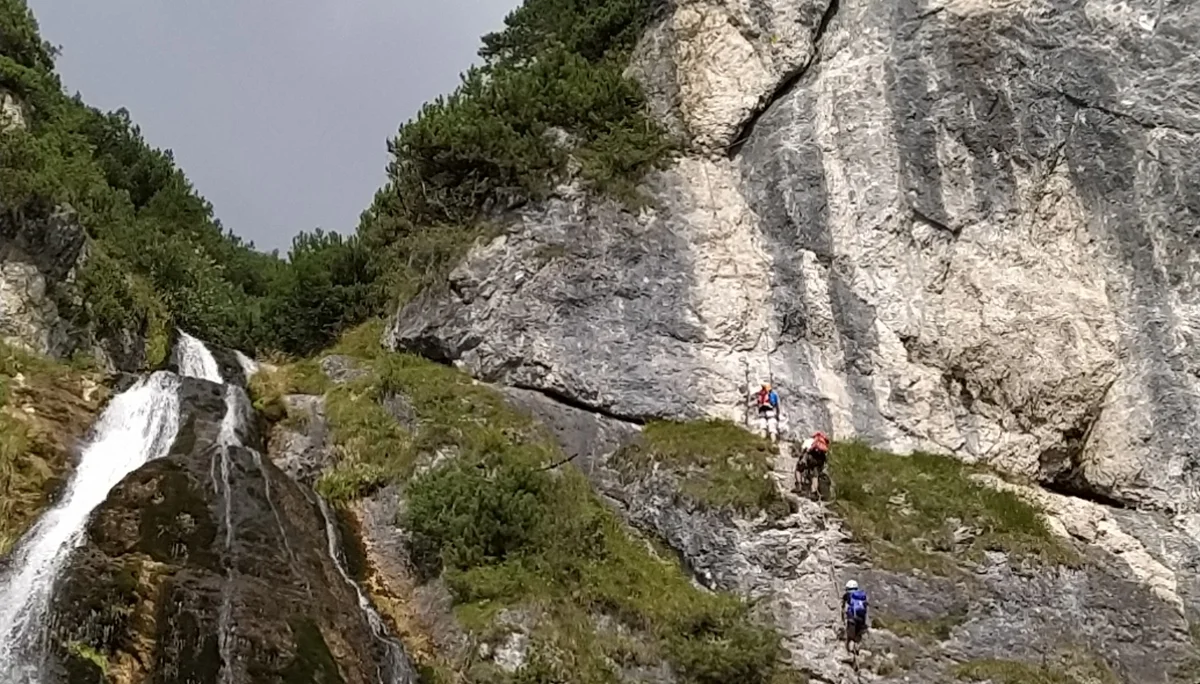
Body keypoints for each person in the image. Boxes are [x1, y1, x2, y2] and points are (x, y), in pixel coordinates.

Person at [794, 431, 830, 498]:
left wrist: (802, 459)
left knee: (798, 469)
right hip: (819, 460)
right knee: (815, 476)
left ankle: (799, 485)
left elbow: (803, 451)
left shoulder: (809, 441)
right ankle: (813, 493)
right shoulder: (823, 443)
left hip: (810, 458)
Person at [842, 580, 869, 654]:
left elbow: (843, 607)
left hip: (852, 619)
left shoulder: (848, 595)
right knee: (857, 635)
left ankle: (850, 652)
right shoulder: (862, 595)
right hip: (861, 619)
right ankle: (857, 648)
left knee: (850, 637)